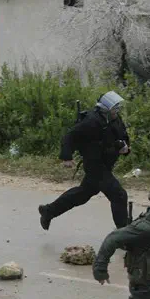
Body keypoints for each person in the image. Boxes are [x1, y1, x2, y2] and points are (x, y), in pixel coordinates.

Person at [38, 91, 131, 230]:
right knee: (119, 195)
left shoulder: (116, 119)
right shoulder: (91, 122)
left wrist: (125, 148)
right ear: (105, 109)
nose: (117, 110)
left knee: (83, 194)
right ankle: (124, 234)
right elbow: (69, 137)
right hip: (95, 165)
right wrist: (67, 157)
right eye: (114, 108)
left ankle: (49, 211)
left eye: (118, 107)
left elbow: (123, 137)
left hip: (106, 164)